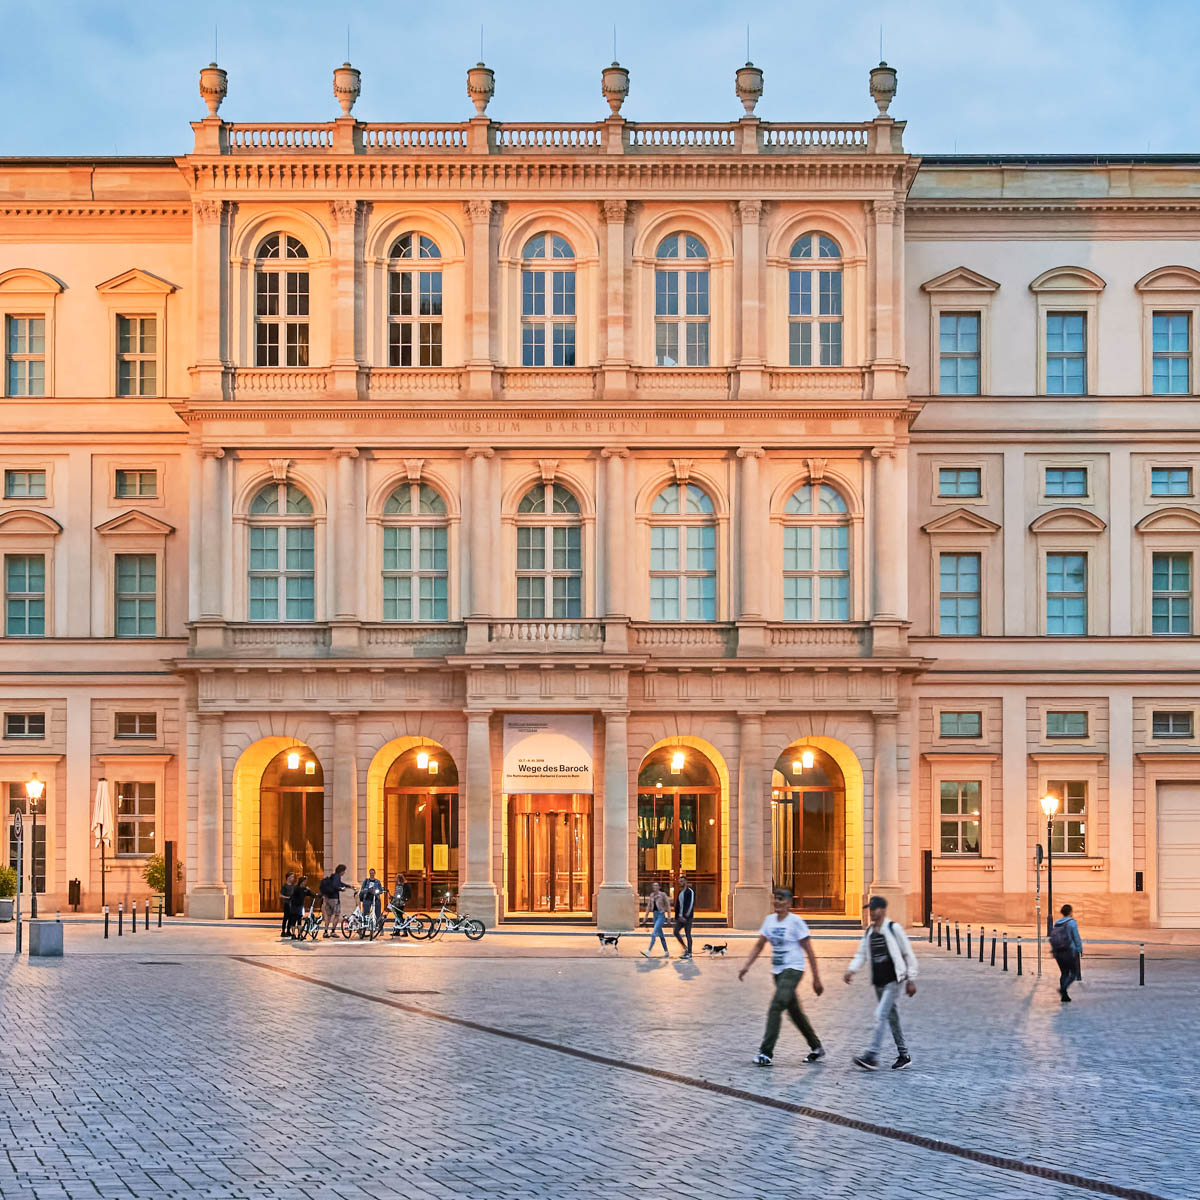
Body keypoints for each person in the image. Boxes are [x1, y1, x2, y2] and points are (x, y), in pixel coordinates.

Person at [737, 887, 825, 1066]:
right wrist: (746, 966)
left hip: (793, 970)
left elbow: (809, 950)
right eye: (776, 899)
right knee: (795, 1013)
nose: (778, 902)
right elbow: (759, 945)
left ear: (789, 903)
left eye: (782, 899)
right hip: (778, 972)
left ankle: (766, 1052)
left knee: (776, 1006)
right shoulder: (770, 921)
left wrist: (816, 979)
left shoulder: (795, 922)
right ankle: (816, 1047)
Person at [843, 896, 919, 1071]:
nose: (872, 912)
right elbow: (862, 953)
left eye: (875, 909)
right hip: (878, 982)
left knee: (880, 1014)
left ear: (883, 910)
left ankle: (872, 1056)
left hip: (893, 980)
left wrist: (911, 979)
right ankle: (904, 1055)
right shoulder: (869, 931)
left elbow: (908, 953)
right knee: (891, 1017)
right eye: (870, 909)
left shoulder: (894, 929)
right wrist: (851, 970)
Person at [1049, 903, 1083, 1002]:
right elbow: (1076, 937)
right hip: (1069, 951)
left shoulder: (1057, 923)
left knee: (1064, 973)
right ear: (1071, 912)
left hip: (1058, 952)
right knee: (1073, 973)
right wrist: (1079, 949)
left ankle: (1065, 996)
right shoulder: (1072, 923)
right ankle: (1063, 989)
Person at [640, 880, 671, 958]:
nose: (655, 887)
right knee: (661, 935)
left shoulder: (663, 895)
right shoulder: (652, 895)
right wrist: (645, 916)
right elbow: (648, 906)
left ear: (659, 887)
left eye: (656, 885)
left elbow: (668, 906)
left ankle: (649, 950)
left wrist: (669, 917)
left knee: (654, 933)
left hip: (661, 915)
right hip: (655, 915)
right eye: (654, 886)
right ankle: (666, 952)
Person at [319, 864, 352, 937]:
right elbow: (336, 885)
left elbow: (339, 883)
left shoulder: (333, 876)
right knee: (337, 915)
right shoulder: (337, 877)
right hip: (334, 899)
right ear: (341, 871)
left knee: (328, 916)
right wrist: (341, 889)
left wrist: (348, 886)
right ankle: (333, 931)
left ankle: (325, 931)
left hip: (328, 898)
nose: (344, 873)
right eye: (344, 871)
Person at [673, 873, 696, 960]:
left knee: (688, 934)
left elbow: (690, 905)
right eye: (679, 881)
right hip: (680, 917)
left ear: (686, 882)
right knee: (675, 932)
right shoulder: (680, 892)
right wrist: (677, 916)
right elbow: (678, 905)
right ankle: (685, 948)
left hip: (687, 918)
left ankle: (689, 953)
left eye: (682, 881)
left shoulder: (690, 892)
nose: (680, 883)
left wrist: (686, 916)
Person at [287, 874, 314, 939]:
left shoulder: (305, 889)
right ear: (301, 882)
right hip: (294, 906)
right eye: (304, 881)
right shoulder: (296, 888)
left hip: (300, 906)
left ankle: (299, 934)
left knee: (299, 920)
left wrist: (313, 893)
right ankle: (293, 934)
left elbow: (311, 894)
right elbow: (292, 896)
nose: (305, 883)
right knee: (293, 920)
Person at [279, 872, 297, 938]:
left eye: (293, 877)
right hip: (286, 904)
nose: (293, 878)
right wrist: (287, 897)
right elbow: (280, 895)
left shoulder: (294, 886)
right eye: (292, 877)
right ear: (288, 878)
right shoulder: (285, 886)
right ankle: (283, 931)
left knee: (291, 918)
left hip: (292, 904)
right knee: (285, 917)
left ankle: (288, 931)